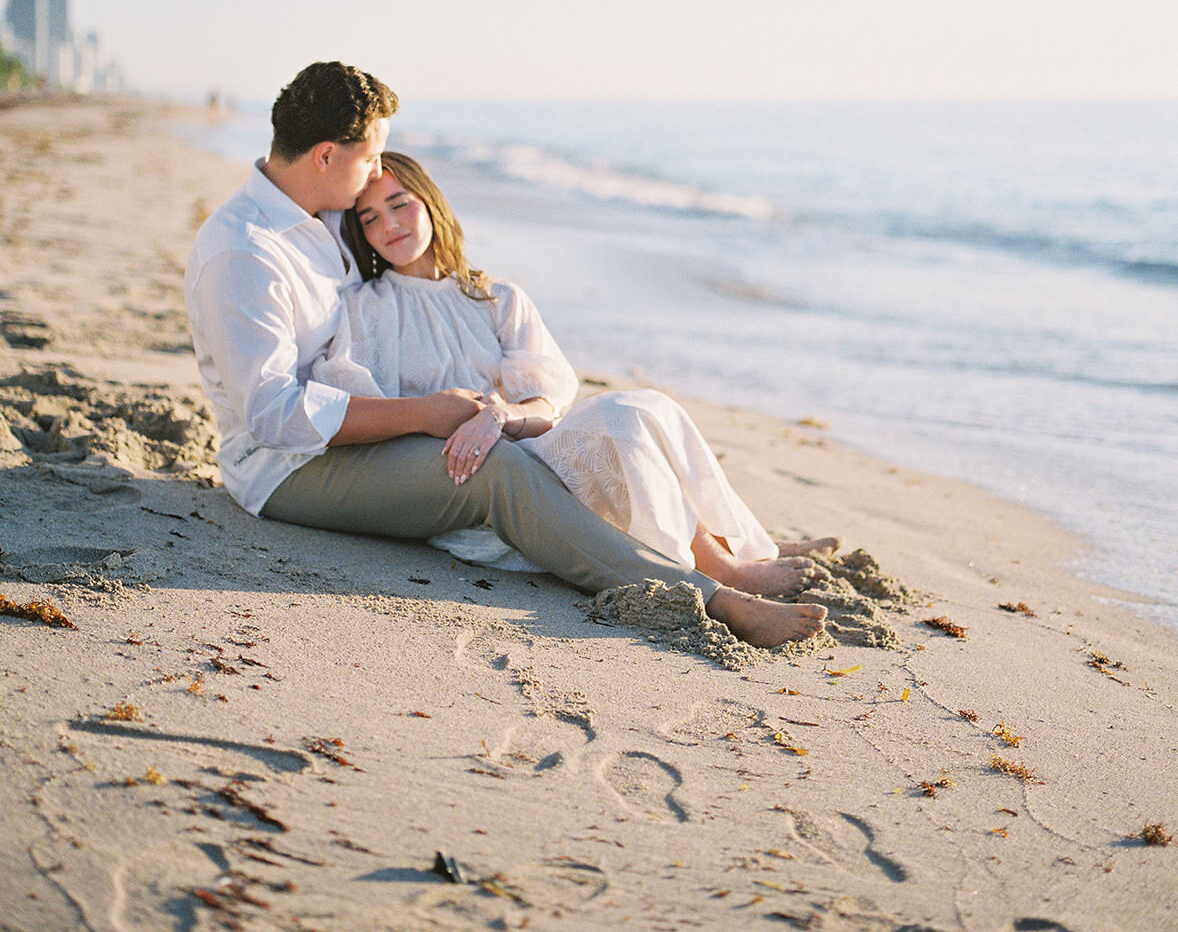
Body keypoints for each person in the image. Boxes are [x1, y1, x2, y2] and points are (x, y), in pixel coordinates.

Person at [184, 61, 827, 649]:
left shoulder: (321, 220)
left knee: (610, 424)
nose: (374, 185)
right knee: (495, 472)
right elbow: (271, 415)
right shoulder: (247, 252)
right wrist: (425, 412)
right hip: (286, 468)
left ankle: (727, 547)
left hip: (353, 434)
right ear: (326, 155)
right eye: (372, 155)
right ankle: (702, 597)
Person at [312, 150, 837, 599]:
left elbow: (548, 408)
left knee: (643, 407)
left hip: (531, 449)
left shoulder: (495, 297)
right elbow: (360, 412)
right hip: (478, 490)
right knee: (620, 423)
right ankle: (723, 569)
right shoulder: (365, 310)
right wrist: (442, 418)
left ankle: (738, 544)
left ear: (430, 202)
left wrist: (500, 414)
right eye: (370, 219)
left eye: (399, 204)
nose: (390, 226)